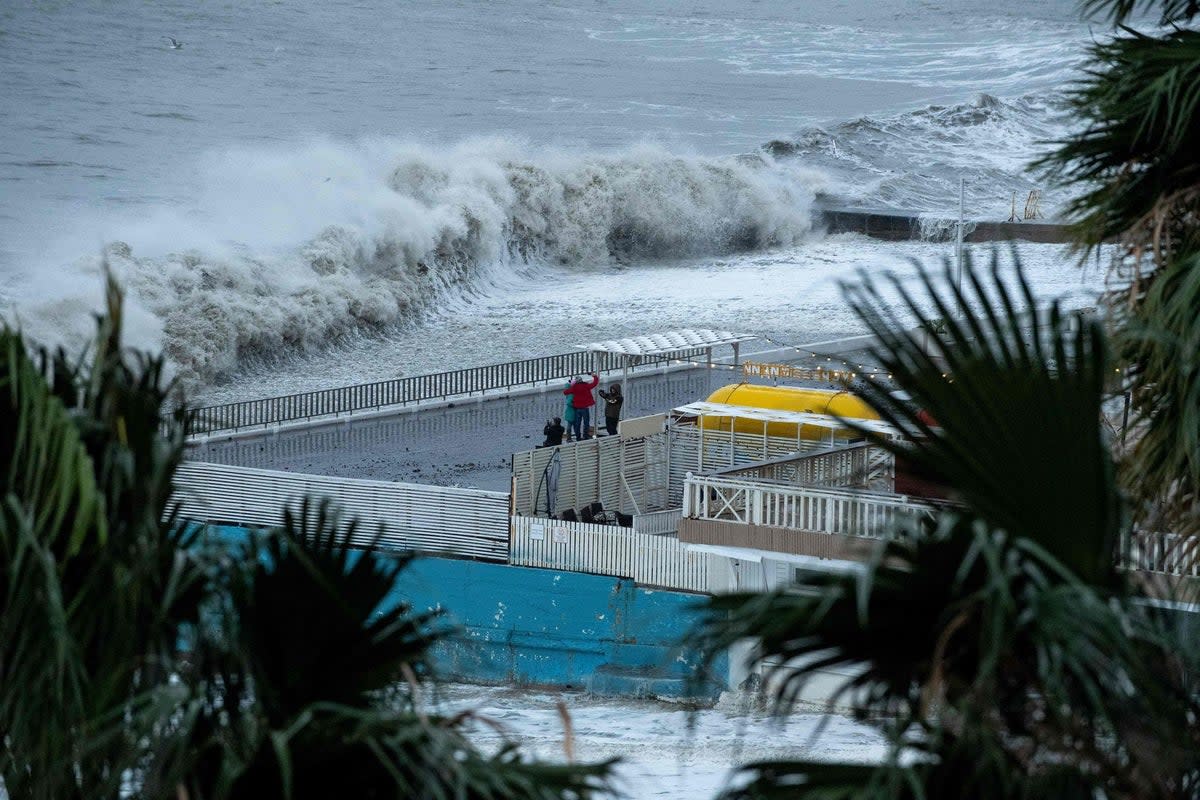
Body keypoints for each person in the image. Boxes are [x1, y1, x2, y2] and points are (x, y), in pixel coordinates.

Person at [563, 372, 599, 441]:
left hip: (577, 409)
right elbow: (595, 383)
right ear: (582, 380)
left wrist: (569, 385)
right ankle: (585, 436)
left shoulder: (574, 388)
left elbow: (565, 392)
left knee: (577, 424)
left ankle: (578, 437)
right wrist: (595, 376)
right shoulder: (586, 386)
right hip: (585, 408)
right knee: (586, 423)